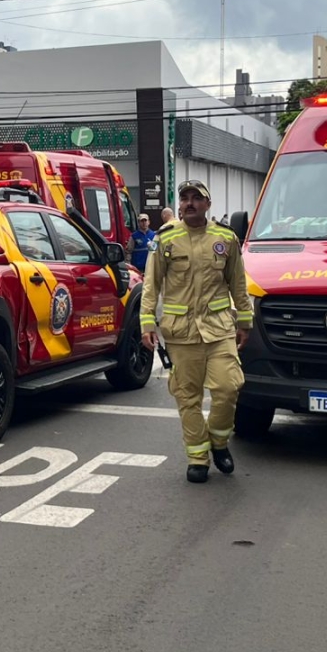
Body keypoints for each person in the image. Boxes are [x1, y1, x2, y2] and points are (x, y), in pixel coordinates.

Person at [139, 180, 253, 484]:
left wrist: (245, 322)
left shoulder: (226, 239)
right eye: (185, 198)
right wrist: (147, 323)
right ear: (180, 205)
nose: (190, 203)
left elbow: (238, 285)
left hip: (218, 330)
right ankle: (198, 457)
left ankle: (218, 441)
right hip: (181, 333)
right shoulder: (166, 240)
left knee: (228, 387)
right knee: (187, 397)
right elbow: (151, 286)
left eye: (196, 198)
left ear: (208, 204)